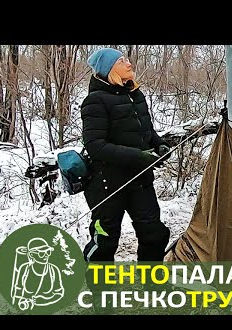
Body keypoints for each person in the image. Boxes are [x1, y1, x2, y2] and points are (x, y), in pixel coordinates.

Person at [81, 48, 172, 299]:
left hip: (140, 181)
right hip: (107, 184)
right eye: (122, 61)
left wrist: (159, 145)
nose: (129, 63)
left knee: (154, 233)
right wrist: (139, 157)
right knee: (105, 241)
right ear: (109, 69)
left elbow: (146, 132)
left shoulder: (135, 94)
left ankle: (153, 286)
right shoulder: (95, 101)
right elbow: (95, 146)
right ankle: (101, 294)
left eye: (126, 58)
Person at [12, 238, 64, 311]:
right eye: (41, 253)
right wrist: (20, 303)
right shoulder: (24, 269)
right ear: (31, 254)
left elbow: (59, 293)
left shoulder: (53, 270)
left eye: (48, 252)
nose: (46, 255)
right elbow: (18, 290)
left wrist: (46, 301)